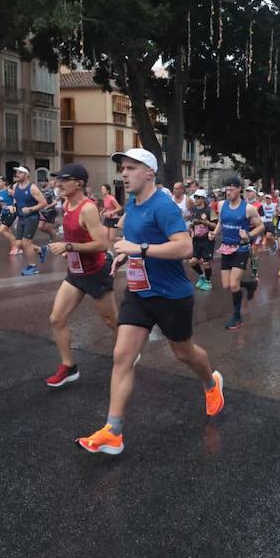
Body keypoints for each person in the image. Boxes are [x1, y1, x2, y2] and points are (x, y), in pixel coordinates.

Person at [76, 148, 225, 456]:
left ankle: (211, 384)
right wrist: (123, 255)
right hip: (139, 292)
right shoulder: (134, 203)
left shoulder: (164, 206)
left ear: (149, 173)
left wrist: (140, 248)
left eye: (131, 168)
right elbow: (133, 243)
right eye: (123, 168)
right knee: (122, 356)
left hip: (171, 295)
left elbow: (184, 247)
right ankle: (113, 431)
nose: (124, 174)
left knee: (184, 353)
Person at [44, 163, 117, 388]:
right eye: (58, 179)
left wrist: (69, 247)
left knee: (111, 321)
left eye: (64, 180)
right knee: (57, 318)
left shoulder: (88, 208)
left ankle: (128, 351)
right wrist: (67, 250)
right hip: (76, 272)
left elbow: (103, 244)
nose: (59, 184)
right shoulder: (66, 204)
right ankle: (69, 367)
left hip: (96, 273)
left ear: (79, 183)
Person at [217, 177, 266, 330]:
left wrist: (249, 235)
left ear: (239, 189)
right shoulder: (221, 205)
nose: (228, 192)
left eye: (231, 189)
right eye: (227, 189)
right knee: (226, 285)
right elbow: (220, 221)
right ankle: (250, 285)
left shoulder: (248, 208)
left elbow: (261, 227)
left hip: (241, 248)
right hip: (226, 248)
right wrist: (214, 232)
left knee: (233, 284)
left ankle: (237, 317)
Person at [11, 168, 50, 275]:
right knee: (18, 244)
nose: (17, 174)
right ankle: (41, 250)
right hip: (21, 218)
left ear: (27, 175)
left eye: (20, 173)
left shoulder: (32, 188)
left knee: (26, 243)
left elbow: (43, 203)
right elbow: (16, 199)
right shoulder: (15, 186)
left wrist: (30, 209)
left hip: (32, 217)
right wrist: (13, 207)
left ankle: (33, 267)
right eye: (17, 173)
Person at [187, 188, 217, 290]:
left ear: (203, 199)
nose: (195, 199)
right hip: (196, 240)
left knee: (206, 262)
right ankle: (202, 276)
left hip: (207, 240)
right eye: (195, 197)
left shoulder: (210, 210)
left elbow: (216, 225)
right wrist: (191, 226)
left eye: (198, 197)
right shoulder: (193, 210)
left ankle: (208, 281)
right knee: (192, 261)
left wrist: (206, 223)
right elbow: (192, 224)